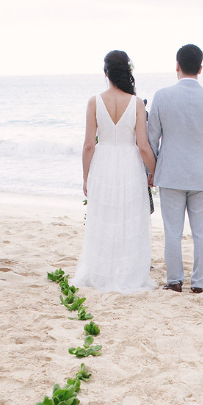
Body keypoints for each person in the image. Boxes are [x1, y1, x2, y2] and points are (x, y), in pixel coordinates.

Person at [73, 50, 156, 293]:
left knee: (104, 217)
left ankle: (102, 270)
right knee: (129, 217)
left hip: (103, 162)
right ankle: (127, 271)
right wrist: (154, 171)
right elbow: (143, 146)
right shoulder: (136, 103)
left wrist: (86, 176)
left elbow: (89, 145)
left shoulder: (94, 101)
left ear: (106, 73)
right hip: (129, 162)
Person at [147, 44, 203, 293]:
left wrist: (151, 170)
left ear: (177, 66)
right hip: (202, 174)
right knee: (201, 233)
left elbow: (152, 138)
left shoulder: (162, 96)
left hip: (171, 173)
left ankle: (174, 280)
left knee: (172, 231)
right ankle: (199, 283)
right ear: (200, 68)